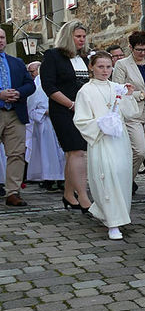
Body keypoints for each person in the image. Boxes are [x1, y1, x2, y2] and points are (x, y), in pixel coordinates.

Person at [73, 51, 138, 240]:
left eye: (108, 67)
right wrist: (100, 124)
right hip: (101, 140)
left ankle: (118, 213)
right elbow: (81, 119)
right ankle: (112, 221)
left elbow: (130, 113)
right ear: (91, 67)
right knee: (106, 176)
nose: (105, 70)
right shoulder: (86, 91)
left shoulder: (117, 87)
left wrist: (128, 96)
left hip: (119, 139)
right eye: (100, 67)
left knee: (121, 175)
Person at [39, 20, 92, 211]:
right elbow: (49, 86)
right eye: (78, 36)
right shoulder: (53, 56)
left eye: (83, 37)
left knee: (73, 154)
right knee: (77, 151)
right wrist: (70, 105)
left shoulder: (85, 59)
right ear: (68, 36)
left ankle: (69, 195)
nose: (81, 40)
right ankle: (84, 196)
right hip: (62, 110)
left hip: (84, 111)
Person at [113, 31, 145, 198]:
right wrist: (140, 95)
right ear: (131, 48)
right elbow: (117, 90)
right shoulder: (122, 65)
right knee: (140, 151)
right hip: (132, 114)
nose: (143, 53)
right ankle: (125, 183)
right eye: (139, 50)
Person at [0, 28, 36, 206]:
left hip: (15, 113)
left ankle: (12, 192)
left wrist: (18, 93)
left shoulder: (17, 62)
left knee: (16, 154)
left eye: (2, 37)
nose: (0, 40)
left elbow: (30, 85)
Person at [26, 61, 65, 191]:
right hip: (45, 125)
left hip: (59, 121)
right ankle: (49, 178)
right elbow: (30, 110)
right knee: (48, 154)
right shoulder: (36, 89)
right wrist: (45, 112)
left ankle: (63, 179)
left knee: (62, 153)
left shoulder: (59, 85)